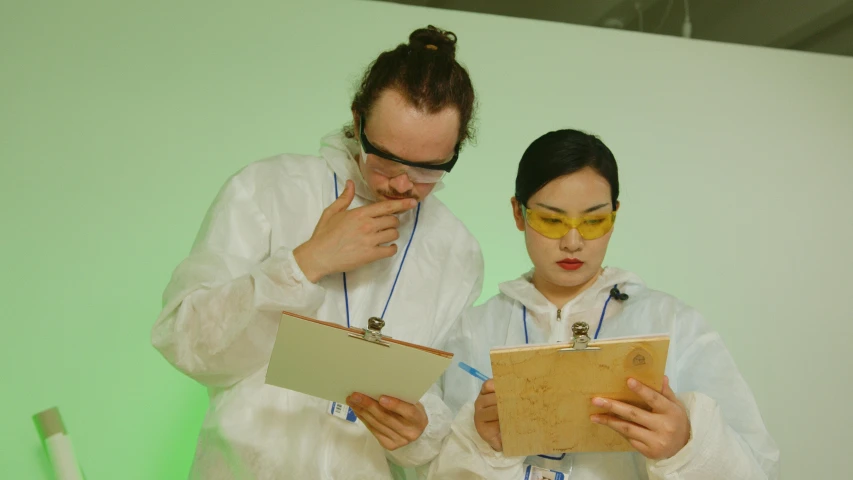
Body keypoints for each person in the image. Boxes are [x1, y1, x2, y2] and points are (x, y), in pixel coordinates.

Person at [150, 26, 484, 479]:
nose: (403, 183)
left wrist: (420, 431)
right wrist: (305, 263)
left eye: (429, 169)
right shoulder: (268, 189)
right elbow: (185, 341)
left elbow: (444, 422)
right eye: (385, 158)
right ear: (357, 119)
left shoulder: (456, 250)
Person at [428, 129, 780, 479]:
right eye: (551, 220)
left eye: (594, 220)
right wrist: (481, 442)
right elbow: (433, 466)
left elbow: (757, 467)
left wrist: (686, 447)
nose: (572, 241)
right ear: (518, 214)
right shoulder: (473, 331)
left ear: (615, 214)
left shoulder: (672, 324)